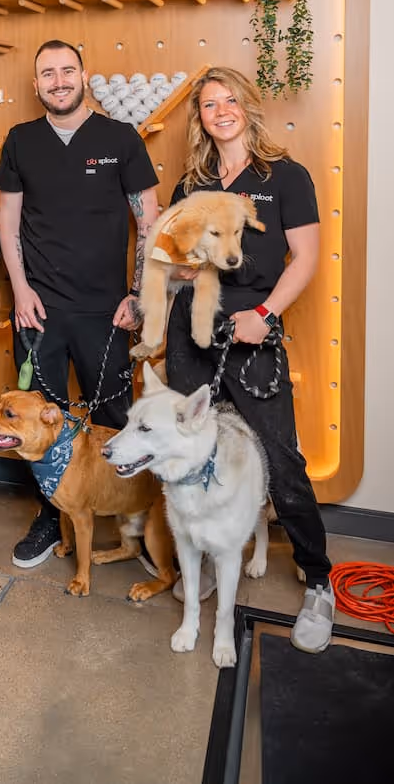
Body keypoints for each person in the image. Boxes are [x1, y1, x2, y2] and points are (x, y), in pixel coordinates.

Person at [165, 66, 333, 654]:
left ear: (248, 107)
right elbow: (177, 262)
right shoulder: (191, 185)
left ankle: (318, 582)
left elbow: (306, 258)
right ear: (202, 119)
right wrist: (175, 275)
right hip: (192, 330)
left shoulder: (286, 176)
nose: (221, 110)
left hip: (254, 330)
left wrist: (264, 316)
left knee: (280, 462)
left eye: (229, 100)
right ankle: (207, 564)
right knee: (195, 454)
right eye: (210, 105)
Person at [0, 40, 159, 567]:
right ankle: (50, 516)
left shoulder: (121, 138)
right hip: (38, 311)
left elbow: (149, 220)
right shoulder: (21, 141)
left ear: (84, 76)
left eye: (68, 71)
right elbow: (8, 221)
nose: (59, 81)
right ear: (37, 83)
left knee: (111, 417)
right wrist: (20, 290)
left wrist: (139, 293)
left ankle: (129, 521)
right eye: (48, 73)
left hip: (106, 312)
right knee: (35, 421)